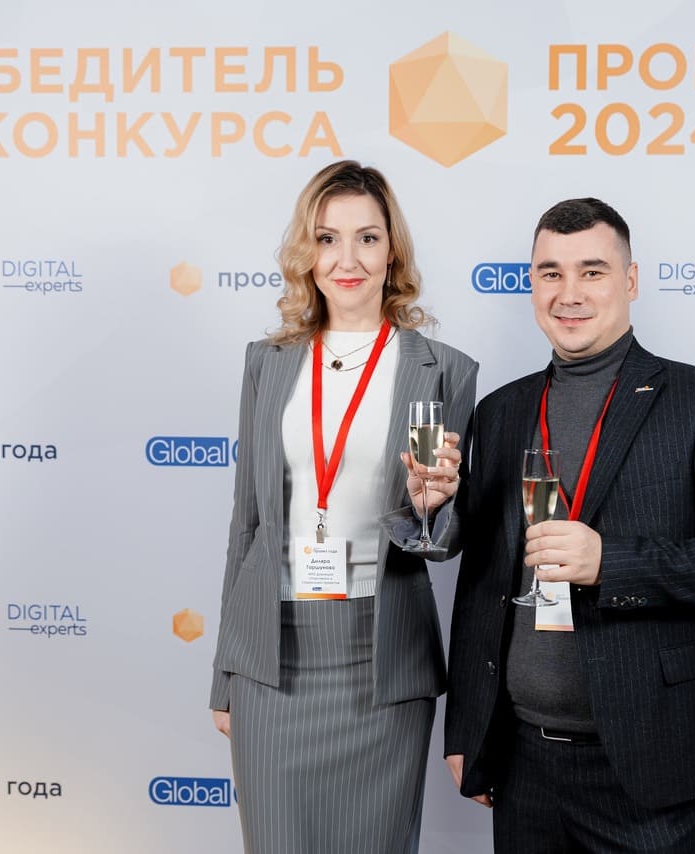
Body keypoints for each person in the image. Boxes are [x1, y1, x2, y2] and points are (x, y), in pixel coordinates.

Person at [444, 198, 695, 852]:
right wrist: (466, 730)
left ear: (630, 281)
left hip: (648, 760)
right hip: (521, 761)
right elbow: (481, 583)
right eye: (551, 273)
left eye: (592, 272)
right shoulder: (501, 410)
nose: (569, 293)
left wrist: (610, 563)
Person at [209, 160, 478, 853]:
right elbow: (246, 522)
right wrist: (224, 672)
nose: (347, 259)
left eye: (367, 237)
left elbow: (440, 539)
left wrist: (429, 507)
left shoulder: (444, 371)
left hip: (381, 658)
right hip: (272, 657)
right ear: (308, 252)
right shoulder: (267, 362)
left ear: (392, 251)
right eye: (328, 238)